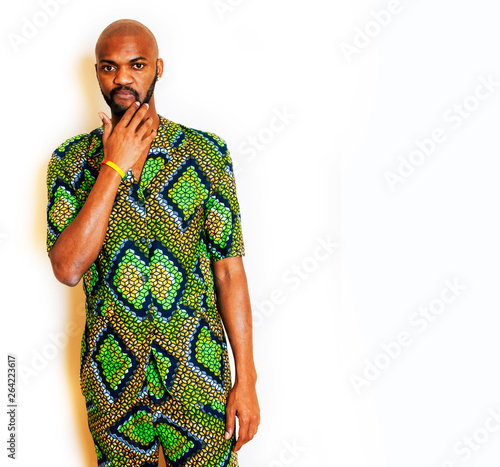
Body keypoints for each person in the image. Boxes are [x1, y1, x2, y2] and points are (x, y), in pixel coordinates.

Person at [46, 19, 259, 467]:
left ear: (158, 68)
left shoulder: (205, 153)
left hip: (197, 372)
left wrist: (248, 380)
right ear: (98, 74)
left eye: (136, 64)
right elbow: (67, 269)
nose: (122, 78)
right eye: (109, 67)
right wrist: (112, 167)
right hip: (113, 377)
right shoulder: (70, 161)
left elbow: (229, 270)